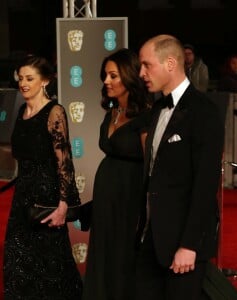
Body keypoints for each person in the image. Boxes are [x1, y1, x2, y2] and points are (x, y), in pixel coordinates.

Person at [136, 34, 224, 300]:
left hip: (183, 246)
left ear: (171, 63)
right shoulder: (157, 110)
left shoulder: (204, 112)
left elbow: (206, 185)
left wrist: (189, 245)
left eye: (146, 65)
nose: (141, 73)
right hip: (151, 239)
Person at [3, 55, 83, 299]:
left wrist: (62, 205)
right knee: (17, 262)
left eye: (30, 78)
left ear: (45, 81)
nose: (23, 83)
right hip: (22, 199)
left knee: (50, 265)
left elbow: (64, 163)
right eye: (21, 78)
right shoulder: (21, 113)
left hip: (47, 200)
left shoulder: (54, 112)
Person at [82, 48, 151, 300]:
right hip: (105, 200)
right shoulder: (111, 112)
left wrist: (144, 214)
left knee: (123, 260)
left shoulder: (145, 115)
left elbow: (150, 167)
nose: (106, 81)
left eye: (113, 75)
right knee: (103, 257)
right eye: (105, 75)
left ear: (129, 76)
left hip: (129, 200)